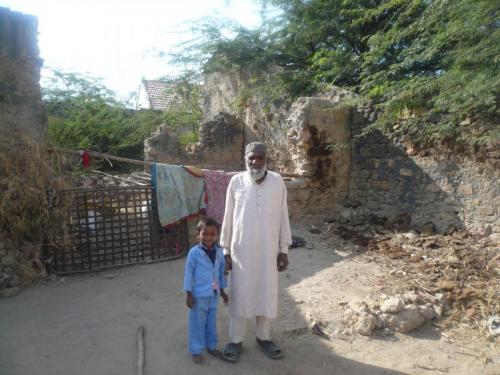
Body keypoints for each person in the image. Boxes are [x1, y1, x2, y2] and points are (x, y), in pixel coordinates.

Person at [220, 142, 292, 362]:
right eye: (251, 158)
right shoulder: (236, 182)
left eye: (259, 157)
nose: (255, 162)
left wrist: (284, 249)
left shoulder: (278, 182)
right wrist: (225, 250)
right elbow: (228, 216)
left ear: (266, 159)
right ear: (245, 159)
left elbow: (283, 215)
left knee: (265, 290)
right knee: (240, 292)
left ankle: (264, 338)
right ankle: (235, 340)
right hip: (241, 249)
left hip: (269, 250)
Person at [184, 217, 229, 364]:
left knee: (211, 321)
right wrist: (189, 293)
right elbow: (188, 273)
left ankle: (211, 346)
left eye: (212, 234)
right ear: (198, 234)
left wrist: (222, 292)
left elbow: (221, 272)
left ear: (217, 235)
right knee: (197, 322)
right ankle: (196, 350)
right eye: (205, 234)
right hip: (198, 296)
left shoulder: (219, 253)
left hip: (213, 295)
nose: (209, 237)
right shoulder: (194, 253)